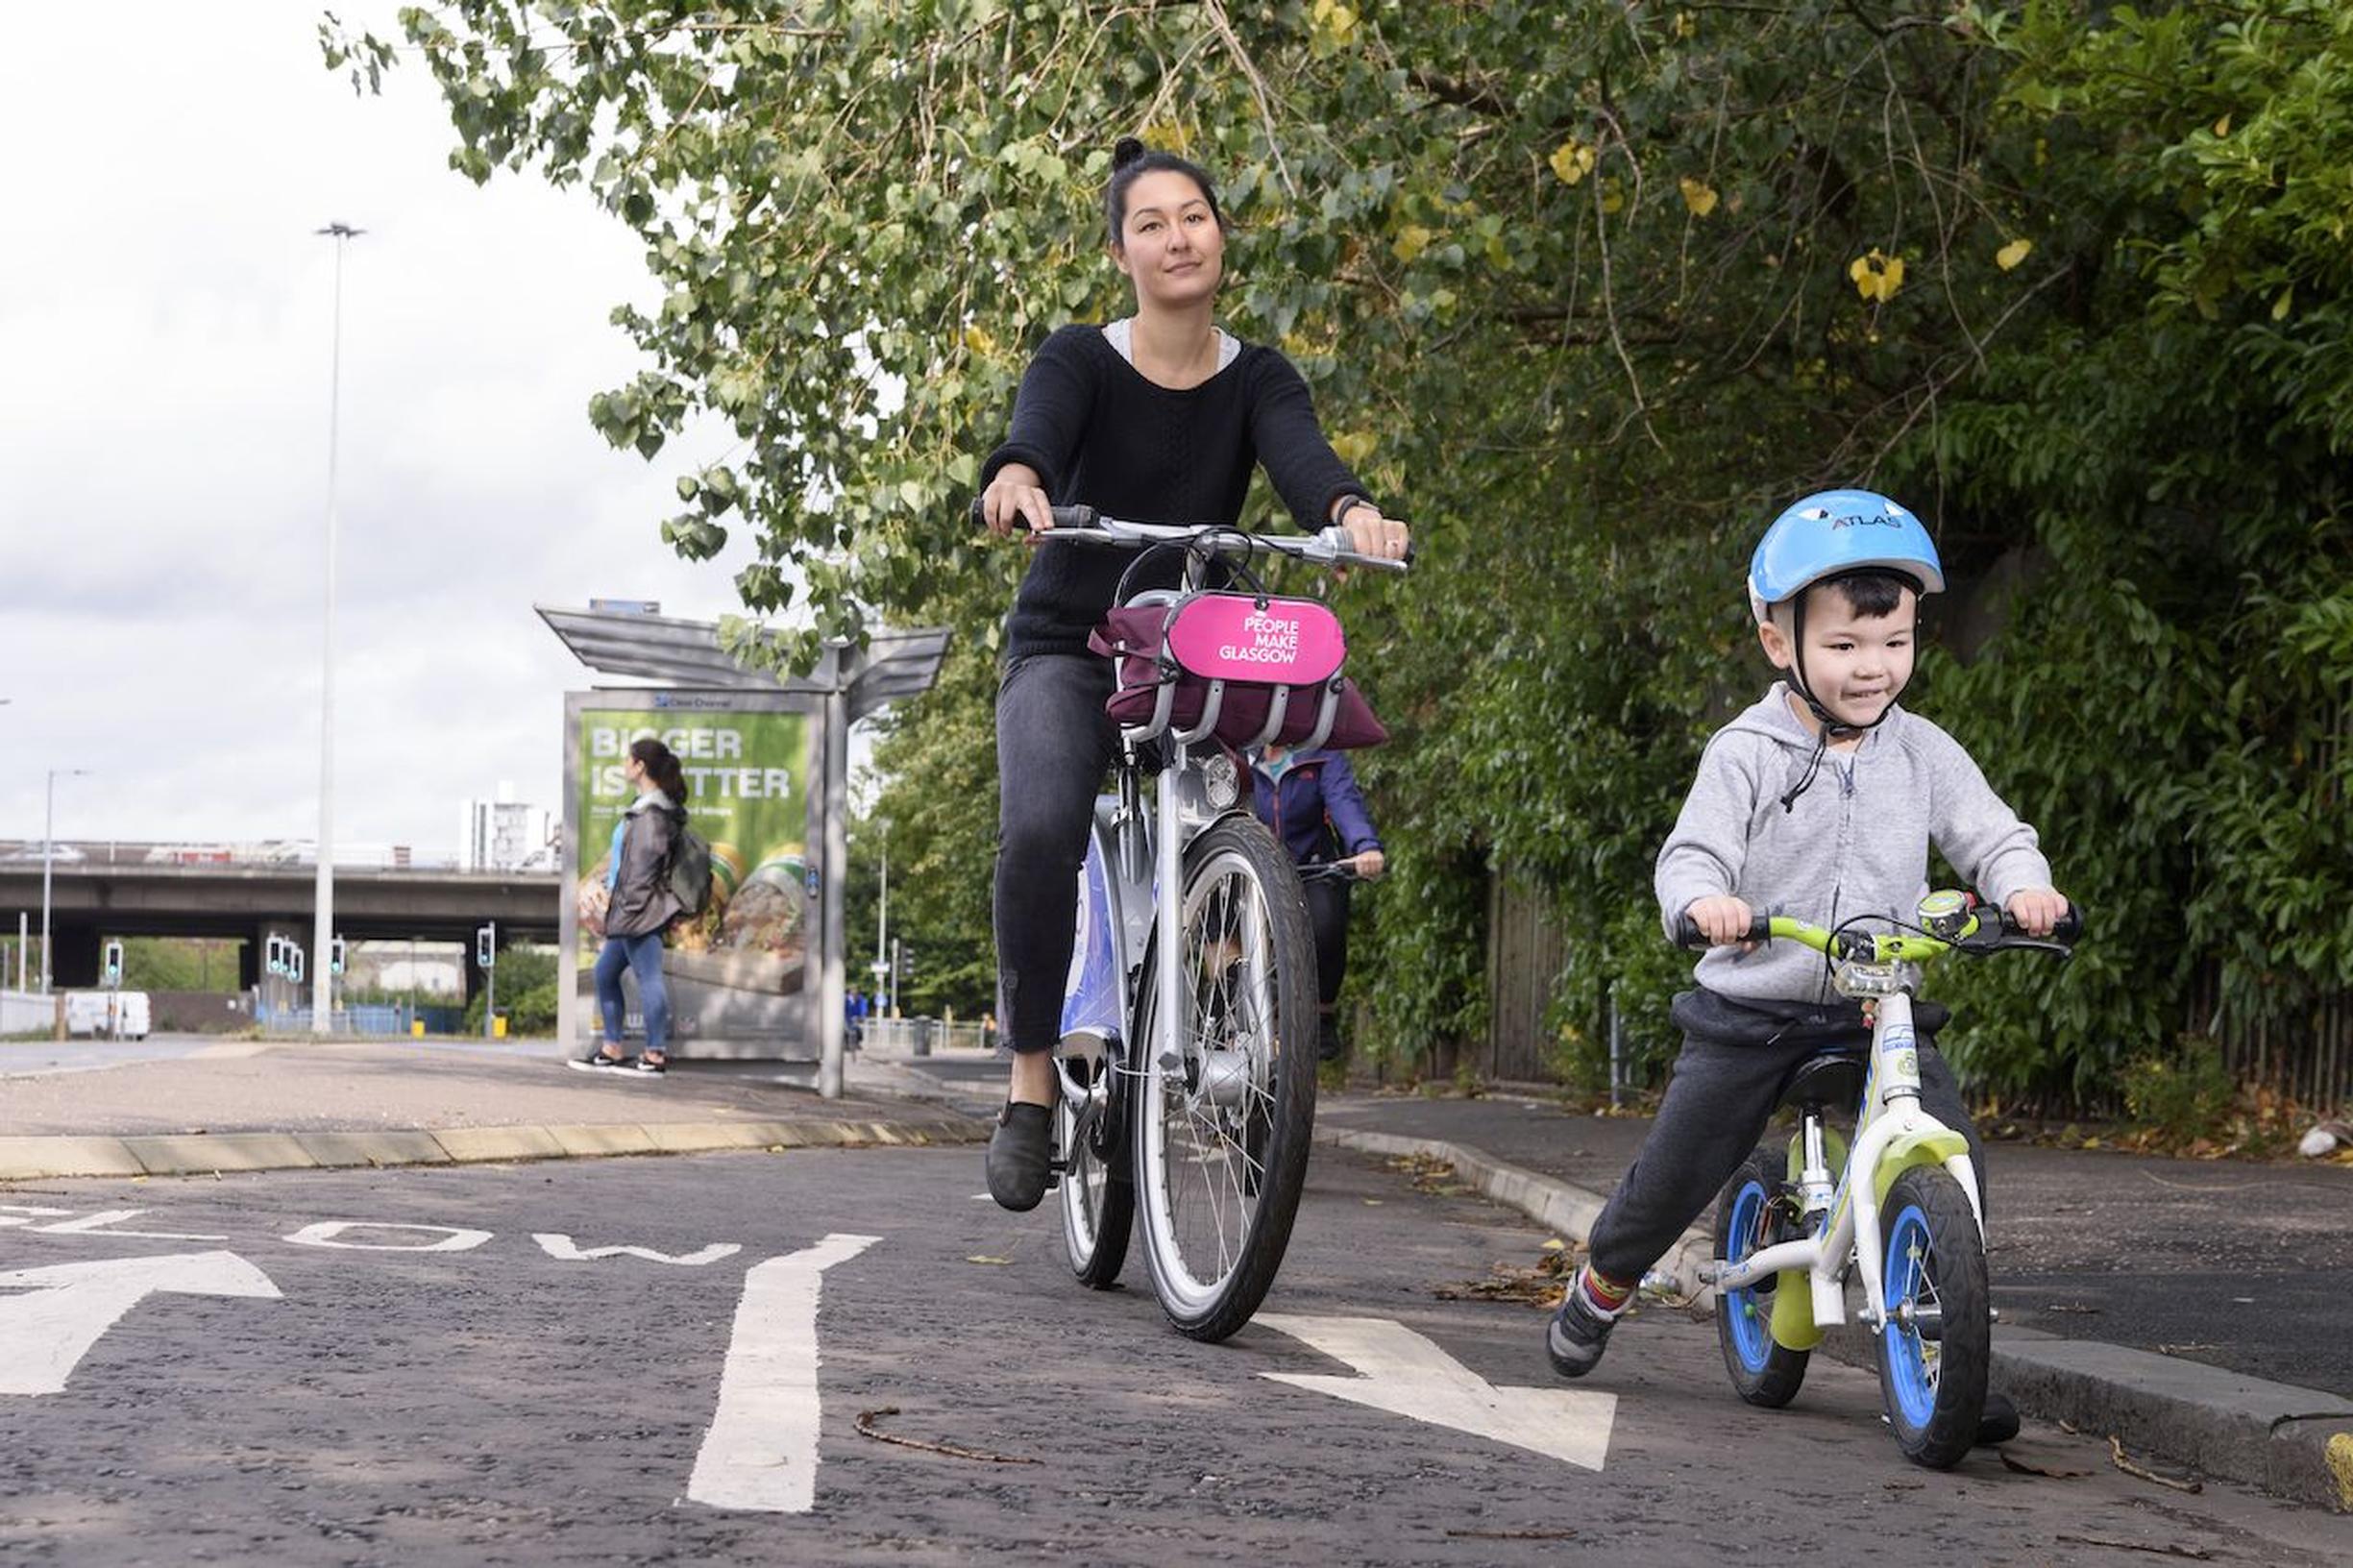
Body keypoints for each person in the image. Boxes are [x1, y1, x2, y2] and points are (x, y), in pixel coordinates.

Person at [1544, 489, 2069, 1447]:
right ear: (1777, 640)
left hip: (1878, 1008)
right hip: (1752, 1007)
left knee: (1950, 1149)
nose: (1873, 668)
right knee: (1673, 1174)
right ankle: (1604, 1279)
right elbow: (1692, 854)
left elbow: (1992, 833)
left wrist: (2023, 885)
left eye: (1893, 643)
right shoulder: (1745, 752)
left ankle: (1954, 1346)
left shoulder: (1923, 752)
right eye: (1844, 646)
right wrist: (1706, 903)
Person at [975, 135, 1411, 1211]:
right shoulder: (1079, 357)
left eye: (1194, 217)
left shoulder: (1258, 374)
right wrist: (1020, 479)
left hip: (1190, 658)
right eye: (1151, 223)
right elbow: (1034, 434)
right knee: (1040, 827)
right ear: (1121, 251)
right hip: (1070, 646)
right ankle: (1032, 1083)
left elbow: (1305, 462)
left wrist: (1352, 515)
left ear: (1221, 233)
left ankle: (1229, 1016)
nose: (1178, 237)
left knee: (1254, 839)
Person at [1250, 741, 1384, 1063]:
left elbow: (1344, 799)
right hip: (1253, 867)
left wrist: (1364, 846)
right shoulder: (1241, 755)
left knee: (1326, 924)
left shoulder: (1322, 755)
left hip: (1311, 864)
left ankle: (1322, 1014)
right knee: (1225, 928)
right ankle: (1228, 1014)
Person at [572, 737, 688, 1077]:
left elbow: (641, 873)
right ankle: (612, 1048)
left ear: (639, 767)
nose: (624, 765)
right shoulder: (643, 809)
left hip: (638, 913)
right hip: (628, 912)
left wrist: (620, 912)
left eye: (628, 760)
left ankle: (654, 1055)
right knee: (604, 974)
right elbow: (624, 868)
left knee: (648, 978)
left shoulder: (652, 816)